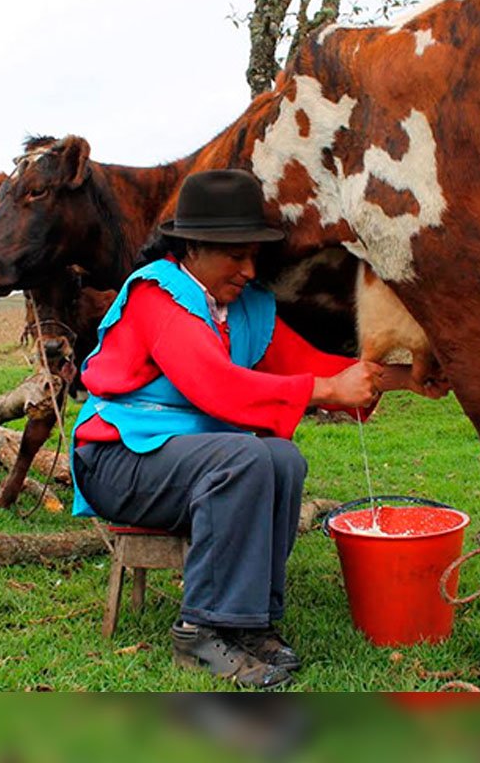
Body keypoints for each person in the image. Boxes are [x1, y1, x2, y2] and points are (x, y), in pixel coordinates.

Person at [69, 169, 384, 689]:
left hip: (186, 458)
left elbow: (309, 365)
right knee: (244, 458)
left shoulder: (247, 307)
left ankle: (251, 621)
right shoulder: (158, 296)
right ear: (192, 247)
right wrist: (326, 393)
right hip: (118, 459)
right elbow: (215, 387)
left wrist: (401, 376)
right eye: (235, 254)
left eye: (254, 255)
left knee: (283, 459)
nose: (247, 268)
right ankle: (200, 631)